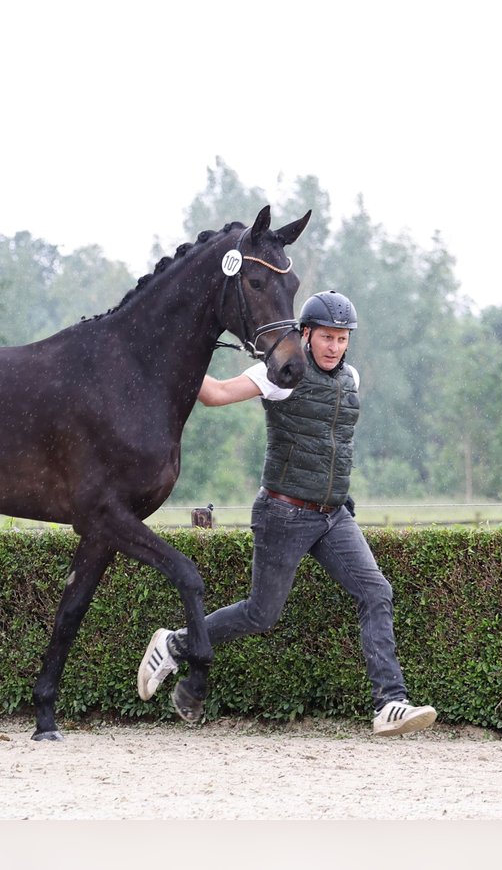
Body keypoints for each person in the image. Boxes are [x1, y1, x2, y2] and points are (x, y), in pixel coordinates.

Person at [137, 290, 436, 736]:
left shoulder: (351, 377)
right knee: (261, 615)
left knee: (376, 592)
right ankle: (176, 644)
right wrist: (172, 356)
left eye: (343, 338)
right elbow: (216, 394)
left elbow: (332, 444)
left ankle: (390, 704)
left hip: (334, 515)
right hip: (283, 514)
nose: (335, 347)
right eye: (327, 337)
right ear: (307, 334)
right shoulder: (281, 372)